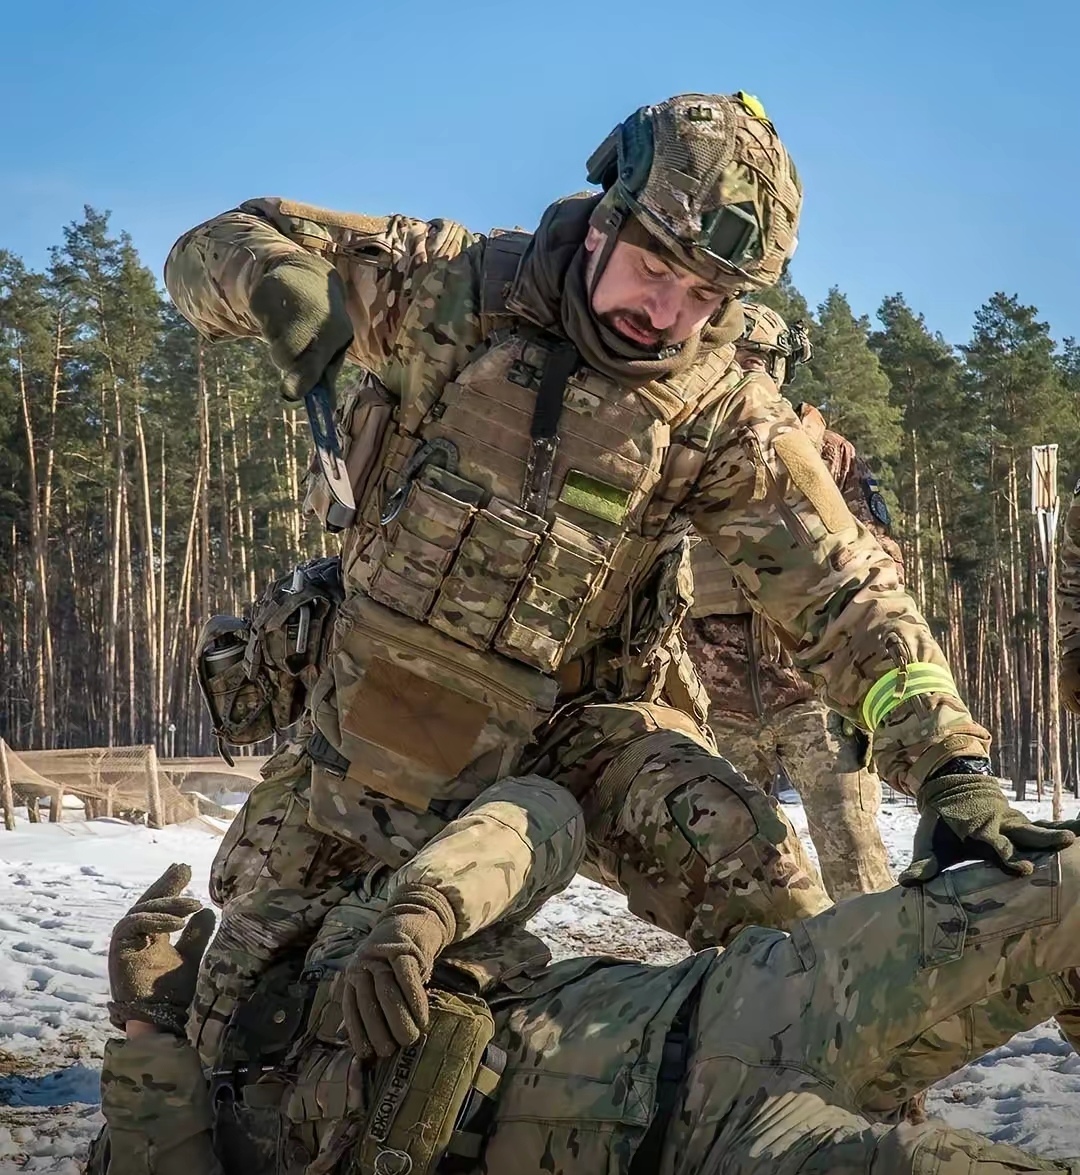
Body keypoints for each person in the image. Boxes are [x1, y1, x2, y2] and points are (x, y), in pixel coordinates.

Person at [164, 89, 1069, 1066]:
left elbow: (847, 597)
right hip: (386, 721)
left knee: (785, 921)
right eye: (655, 270)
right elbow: (215, 242)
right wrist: (272, 285)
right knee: (255, 1035)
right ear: (608, 209)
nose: (667, 315)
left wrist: (950, 766)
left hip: (583, 733)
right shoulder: (450, 291)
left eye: (707, 298)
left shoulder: (723, 410)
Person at [97, 783, 1080, 1174]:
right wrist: (146, 1043)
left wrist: (421, 912)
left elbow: (542, 808)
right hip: (713, 1155)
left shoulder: (367, 920)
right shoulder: (202, 1128)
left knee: (1061, 886)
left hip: (750, 997)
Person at [684, 303, 896, 899]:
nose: (748, 374)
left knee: (854, 856)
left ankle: (876, 983)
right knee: (736, 878)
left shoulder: (831, 455)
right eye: (735, 359)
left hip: (815, 693)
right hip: (714, 698)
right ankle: (749, 990)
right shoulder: (683, 448)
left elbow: (880, 557)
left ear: (784, 371)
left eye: (761, 363)